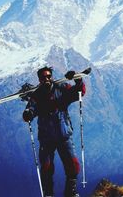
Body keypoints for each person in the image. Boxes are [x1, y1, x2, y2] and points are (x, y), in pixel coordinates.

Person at [22, 66, 86, 197]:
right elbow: (31, 109)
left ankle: (70, 193)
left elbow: (80, 92)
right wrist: (28, 114)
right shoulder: (37, 95)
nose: (47, 79)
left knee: (73, 165)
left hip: (64, 136)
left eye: (49, 76)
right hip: (47, 139)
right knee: (46, 168)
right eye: (43, 77)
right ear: (39, 79)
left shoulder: (62, 89)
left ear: (51, 76)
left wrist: (78, 81)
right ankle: (48, 194)